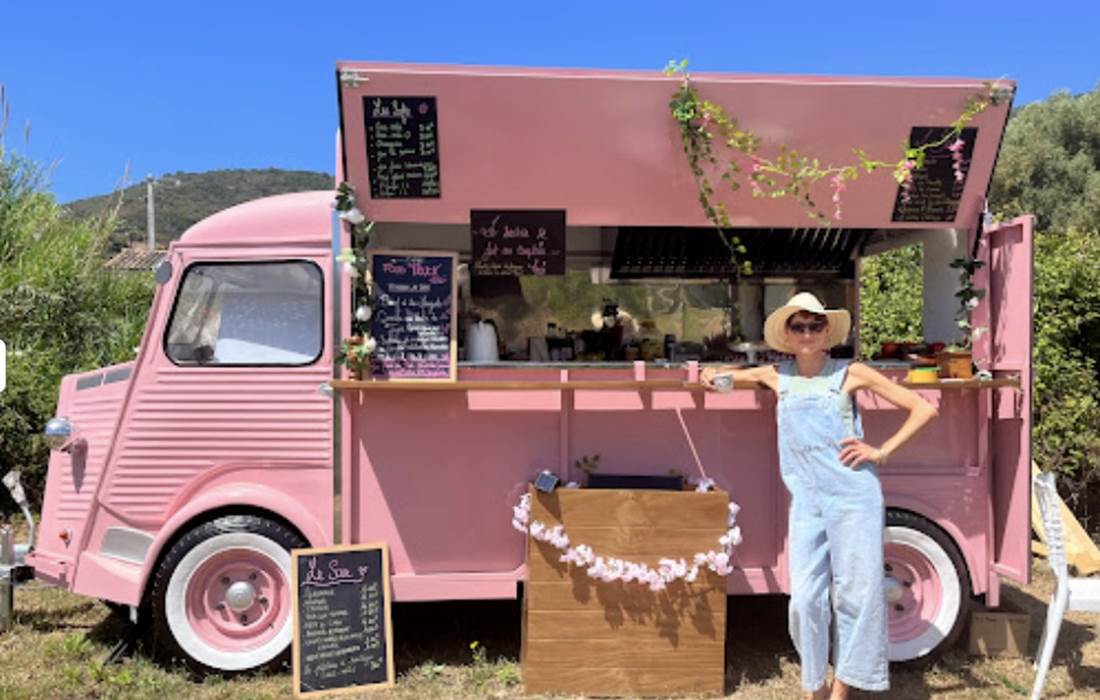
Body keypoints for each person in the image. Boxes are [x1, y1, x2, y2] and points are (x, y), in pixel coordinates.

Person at [700, 292, 937, 700]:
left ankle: (839, 689)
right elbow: (718, 382)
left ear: (828, 332)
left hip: (854, 497)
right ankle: (814, 683)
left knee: (857, 595)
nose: (807, 332)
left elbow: (922, 409)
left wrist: (879, 451)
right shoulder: (775, 376)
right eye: (798, 326)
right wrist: (713, 373)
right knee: (804, 599)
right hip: (807, 502)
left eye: (815, 325)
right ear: (788, 335)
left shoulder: (852, 373)